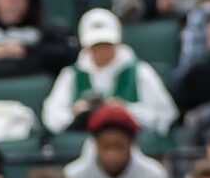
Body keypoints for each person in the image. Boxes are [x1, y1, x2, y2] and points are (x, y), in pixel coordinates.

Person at [44, 9, 174, 135]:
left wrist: (126, 110)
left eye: (106, 44)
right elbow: (51, 118)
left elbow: (164, 115)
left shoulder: (140, 71)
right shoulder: (70, 75)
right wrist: (73, 113)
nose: (101, 50)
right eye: (95, 45)